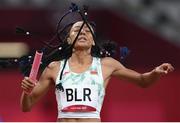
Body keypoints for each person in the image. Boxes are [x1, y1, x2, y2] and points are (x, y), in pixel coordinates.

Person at [20, 21, 174, 122]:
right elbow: (26, 106)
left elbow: (142, 81)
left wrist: (155, 72)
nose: (82, 33)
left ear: (93, 40)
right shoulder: (55, 67)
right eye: (76, 30)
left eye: (87, 31)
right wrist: (26, 92)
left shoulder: (106, 65)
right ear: (68, 40)